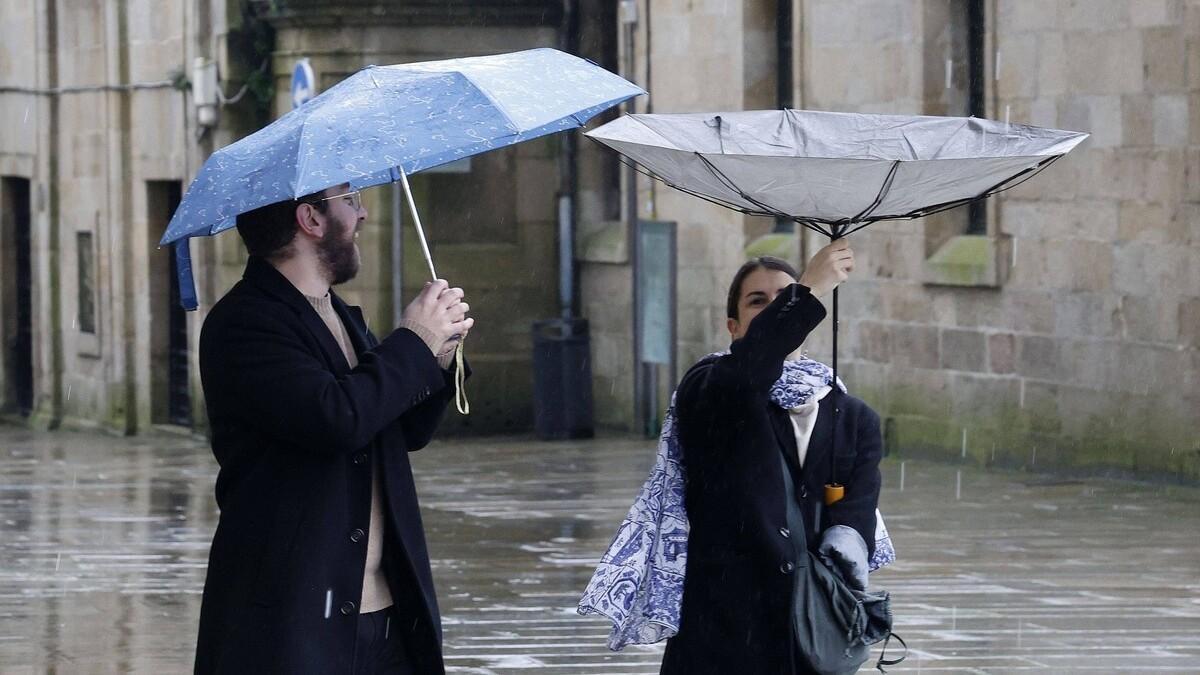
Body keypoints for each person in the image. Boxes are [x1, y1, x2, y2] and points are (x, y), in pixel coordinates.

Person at [193, 183, 472, 674]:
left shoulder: (337, 313)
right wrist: (412, 341)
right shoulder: (244, 323)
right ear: (311, 219)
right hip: (294, 617)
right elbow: (337, 419)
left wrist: (439, 353)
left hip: (384, 616)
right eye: (351, 200)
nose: (362, 214)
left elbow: (401, 431)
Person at [659, 241, 883, 674]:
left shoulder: (852, 416)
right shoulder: (710, 387)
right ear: (734, 325)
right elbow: (750, 371)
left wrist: (836, 558)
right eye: (758, 301)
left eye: (784, 298)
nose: (774, 310)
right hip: (723, 634)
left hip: (811, 635)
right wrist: (808, 291)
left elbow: (857, 516)